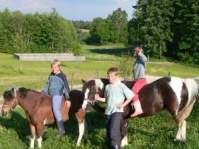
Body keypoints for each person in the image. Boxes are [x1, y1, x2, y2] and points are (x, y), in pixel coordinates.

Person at [95, 67, 134, 149]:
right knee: (109, 132)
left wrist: (123, 105)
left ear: (116, 76)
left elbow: (131, 96)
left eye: (111, 76)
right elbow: (107, 99)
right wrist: (99, 98)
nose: (109, 78)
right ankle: (115, 145)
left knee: (113, 131)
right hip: (108, 112)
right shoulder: (107, 87)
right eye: (108, 76)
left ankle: (115, 146)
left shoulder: (121, 86)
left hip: (117, 112)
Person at [43, 59, 71, 136]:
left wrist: (68, 99)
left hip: (57, 95)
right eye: (52, 67)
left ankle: (61, 130)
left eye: (55, 67)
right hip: (49, 94)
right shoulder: (51, 74)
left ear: (59, 67)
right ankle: (44, 126)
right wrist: (42, 92)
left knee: (55, 108)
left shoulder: (62, 76)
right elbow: (47, 84)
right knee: (43, 106)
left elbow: (66, 87)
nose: (53, 69)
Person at [131, 46, 147, 117]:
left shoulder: (141, 59)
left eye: (135, 51)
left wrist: (140, 53)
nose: (134, 52)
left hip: (141, 80)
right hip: (136, 80)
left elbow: (145, 59)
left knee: (133, 91)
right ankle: (135, 103)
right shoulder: (136, 61)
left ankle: (138, 109)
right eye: (134, 51)